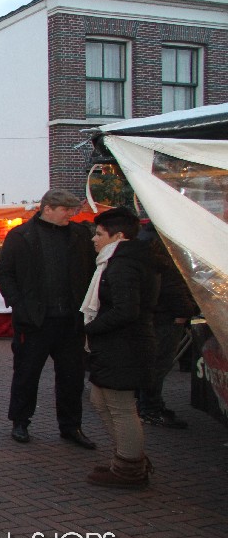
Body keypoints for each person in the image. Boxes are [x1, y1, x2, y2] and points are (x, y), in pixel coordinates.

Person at [0, 189, 97, 448]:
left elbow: (91, 271)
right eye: (66, 210)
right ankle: (20, 422)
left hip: (71, 321)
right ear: (48, 208)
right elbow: (5, 274)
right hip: (34, 321)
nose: (70, 215)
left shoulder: (80, 235)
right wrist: (20, 306)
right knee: (27, 374)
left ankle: (71, 426)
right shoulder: (20, 236)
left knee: (72, 377)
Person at [81, 207, 158, 487]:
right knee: (100, 400)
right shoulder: (116, 261)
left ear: (118, 236)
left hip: (125, 346)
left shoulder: (124, 264)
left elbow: (126, 310)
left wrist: (89, 328)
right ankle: (126, 459)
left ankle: (129, 468)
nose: (94, 239)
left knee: (120, 406)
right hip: (116, 345)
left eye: (99, 234)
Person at [136, 222, 197, 428]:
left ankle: (150, 406)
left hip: (156, 312)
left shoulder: (145, 238)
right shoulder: (161, 244)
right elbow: (171, 283)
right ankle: (150, 409)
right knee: (158, 363)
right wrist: (185, 309)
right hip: (165, 314)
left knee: (154, 363)